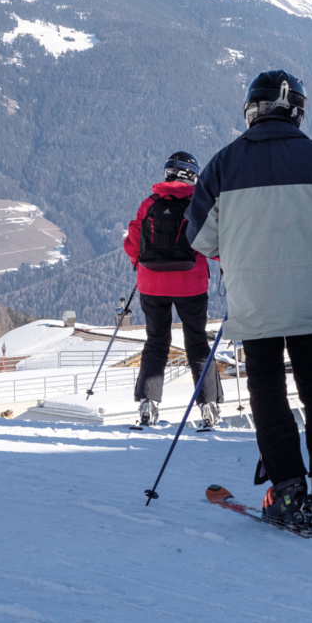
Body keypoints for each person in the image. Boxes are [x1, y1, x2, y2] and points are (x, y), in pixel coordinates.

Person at [184, 70, 312, 530]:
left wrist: (233, 251)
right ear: (297, 111)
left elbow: (198, 237)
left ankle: (289, 491)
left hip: (254, 302)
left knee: (267, 390)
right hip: (311, 297)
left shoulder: (222, 165)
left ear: (252, 110)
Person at [124, 151, 222, 429]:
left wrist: (141, 266)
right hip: (190, 285)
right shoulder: (198, 204)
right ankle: (209, 407)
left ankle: (147, 405)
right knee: (197, 344)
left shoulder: (149, 204)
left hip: (151, 284)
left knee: (156, 342)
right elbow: (212, 244)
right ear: (192, 175)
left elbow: (132, 244)